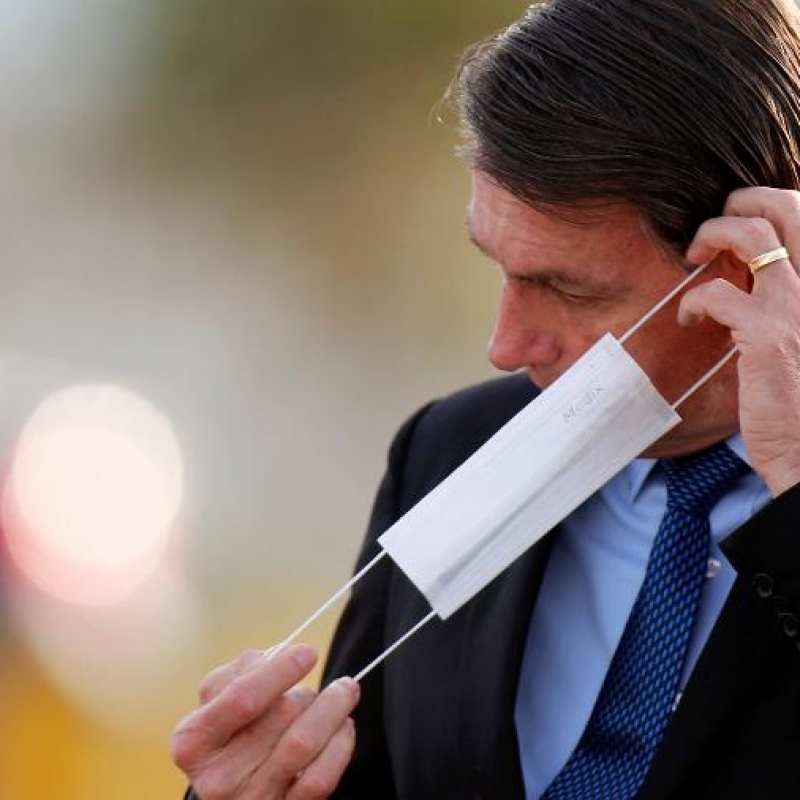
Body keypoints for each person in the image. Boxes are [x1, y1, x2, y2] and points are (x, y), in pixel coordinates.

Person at [171, 1, 800, 798]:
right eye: (500, 268)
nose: (506, 346)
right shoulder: (450, 448)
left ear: (741, 265)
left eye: (568, 288)